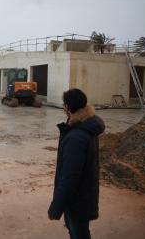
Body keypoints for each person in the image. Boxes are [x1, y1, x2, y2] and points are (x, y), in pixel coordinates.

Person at [48, 88, 105, 239]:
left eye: (64, 104)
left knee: (78, 233)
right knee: (78, 231)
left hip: (77, 199)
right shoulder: (87, 126)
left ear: (67, 107)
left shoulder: (76, 136)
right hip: (85, 194)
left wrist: (56, 207)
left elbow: (69, 176)